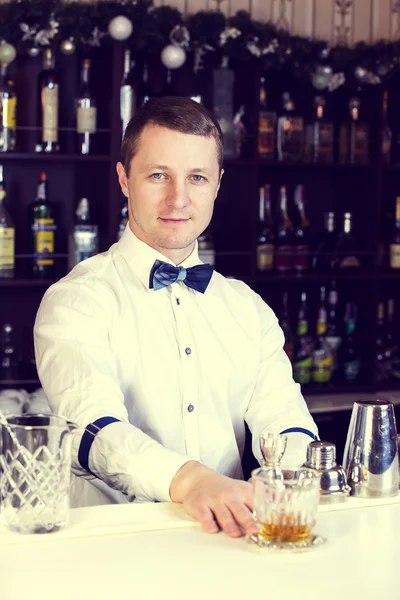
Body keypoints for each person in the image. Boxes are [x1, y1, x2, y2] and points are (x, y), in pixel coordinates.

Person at [34, 96, 318, 539]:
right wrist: (191, 480)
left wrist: (297, 485)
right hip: (112, 549)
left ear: (218, 185)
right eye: (158, 175)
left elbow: (286, 421)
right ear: (125, 179)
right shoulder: (76, 301)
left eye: (197, 178)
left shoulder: (246, 307)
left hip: (229, 540)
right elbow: (89, 427)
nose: (178, 198)